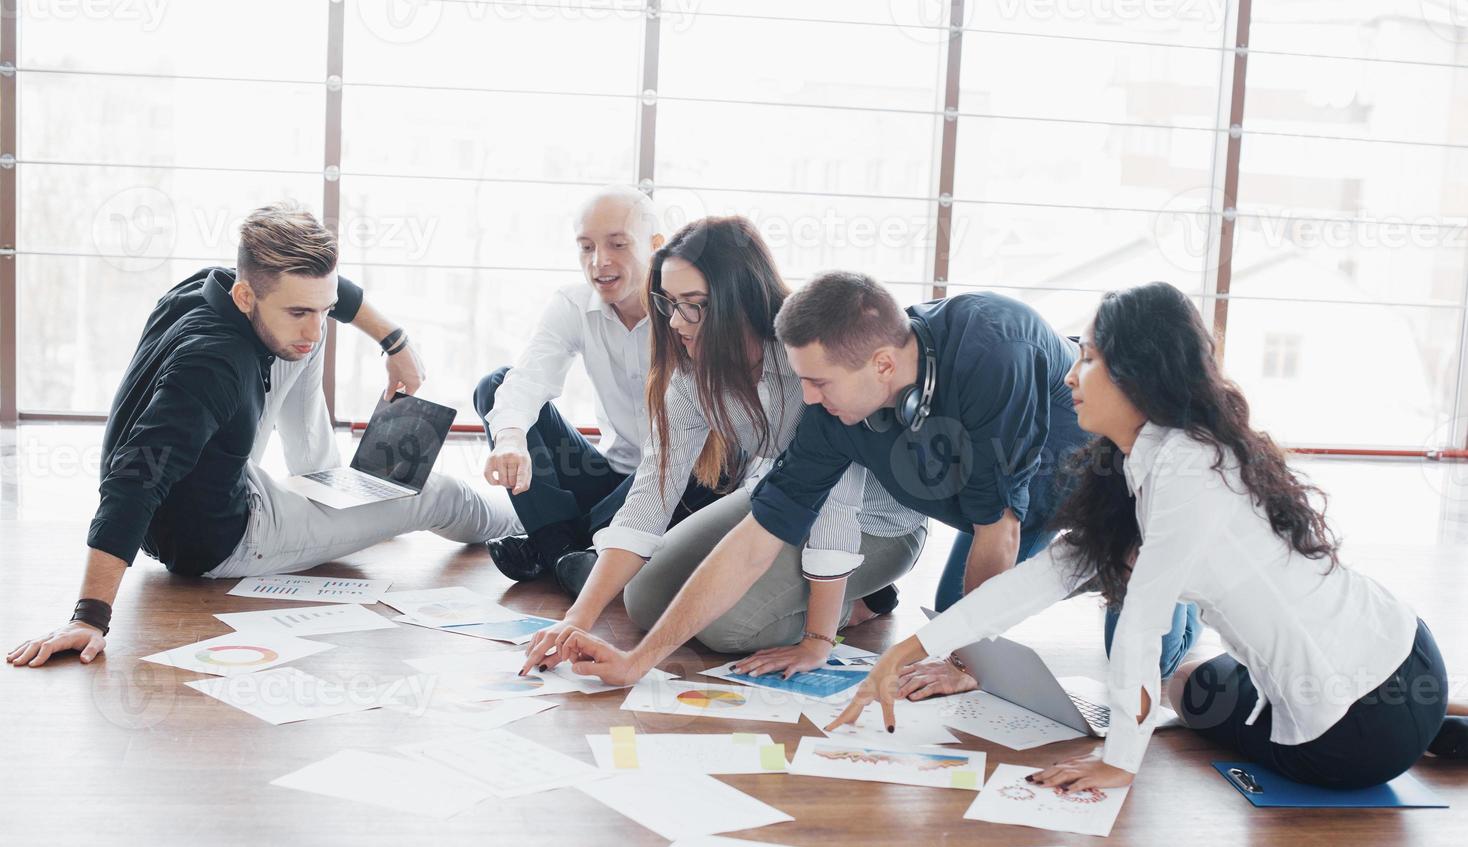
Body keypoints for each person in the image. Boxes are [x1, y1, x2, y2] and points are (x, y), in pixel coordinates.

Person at [833, 281, 1466, 788]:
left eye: (1089, 358)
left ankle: (1424, 725)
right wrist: (910, 648)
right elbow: (1045, 577)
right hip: (1402, 646)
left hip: (1353, 733)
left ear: (1137, 375)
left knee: (1184, 687)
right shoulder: (1149, 454)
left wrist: (1117, 761)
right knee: (1187, 683)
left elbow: (1141, 624)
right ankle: (1436, 718)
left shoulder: (1190, 471)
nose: (1071, 377)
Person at [530, 272, 1194, 688]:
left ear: (882, 364)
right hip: (997, 508)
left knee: (1135, 656)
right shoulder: (837, 405)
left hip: (1096, 490)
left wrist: (964, 664)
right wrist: (639, 660)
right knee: (952, 613)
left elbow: (1004, 527)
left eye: (817, 382)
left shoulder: (997, 348)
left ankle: (1188, 600)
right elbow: (759, 536)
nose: (805, 398)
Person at [7, 204, 517, 668]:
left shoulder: (210, 286)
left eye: (323, 308)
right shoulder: (212, 365)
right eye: (300, 312)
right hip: (227, 538)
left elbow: (325, 301)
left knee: (302, 343)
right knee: (437, 493)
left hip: (208, 478)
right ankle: (527, 515)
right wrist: (89, 616)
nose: (316, 327)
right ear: (246, 294)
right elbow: (134, 481)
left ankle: (326, 483)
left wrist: (395, 341)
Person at [521, 218, 926, 671]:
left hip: (874, 522)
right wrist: (576, 620)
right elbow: (650, 497)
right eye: (670, 304)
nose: (675, 321)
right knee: (644, 598)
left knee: (726, 629)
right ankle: (814, 593)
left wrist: (817, 638)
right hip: (777, 501)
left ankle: (861, 600)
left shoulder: (807, 365)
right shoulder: (691, 376)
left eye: (693, 306)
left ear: (742, 300)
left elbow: (837, 508)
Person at [474, 186, 721, 594]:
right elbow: (529, 378)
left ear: (656, 247)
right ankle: (570, 553)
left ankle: (552, 546)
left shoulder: (686, 310)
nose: (599, 262)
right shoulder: (574, 304)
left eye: (618, 245)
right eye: (586, 247)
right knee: (496, 385)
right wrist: (511, 437)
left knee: (710, 449)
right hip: (609, 478)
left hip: (678, 482)